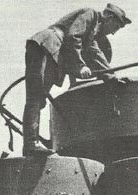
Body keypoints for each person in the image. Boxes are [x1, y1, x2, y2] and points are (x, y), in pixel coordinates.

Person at [22, 4, 131, 156]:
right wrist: (80, 66)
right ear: (109, 18)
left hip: (49, 49)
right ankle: (31, 144)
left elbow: (95, 54)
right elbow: (73, 36)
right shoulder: (91, 14)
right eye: (116, 27)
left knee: (37, 98)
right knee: (36, 97)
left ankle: (31, 144)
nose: (113, 33)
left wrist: (112, 78)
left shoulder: (91, 35)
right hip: (48, 45)